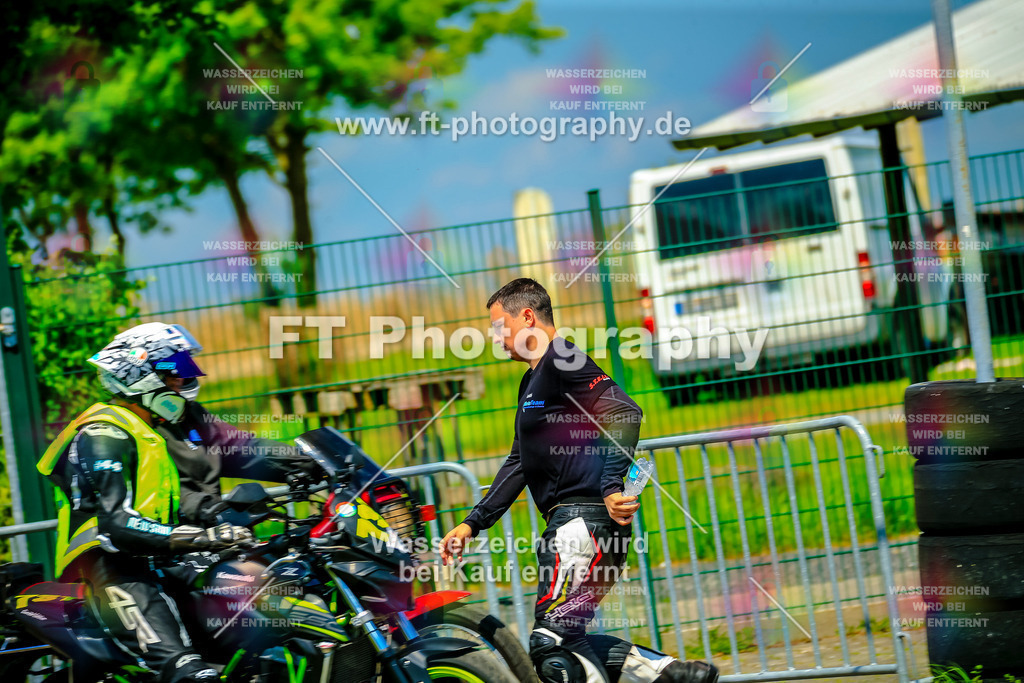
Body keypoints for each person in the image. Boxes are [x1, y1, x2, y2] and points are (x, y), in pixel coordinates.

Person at [440, 279, 718, 683]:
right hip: (575, 526)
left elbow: (624, 411)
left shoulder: (562, 358)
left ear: (528, 317)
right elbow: (519, 461)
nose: (494, 335)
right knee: (566, 638)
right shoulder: (532, 379)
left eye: (500, 325)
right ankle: (673, 676)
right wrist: (473, 523)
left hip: (582, 525)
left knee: (552, 646)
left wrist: (609, 487)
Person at [37, 322, 321, 683]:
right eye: (176, 372)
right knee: (189, 674)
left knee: (266, 629)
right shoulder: (103, 434)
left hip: (161, 560)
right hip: (110, 569)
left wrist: (317, 462)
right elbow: (118, 524)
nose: (185, 381)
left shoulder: (153, 429)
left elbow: (241, 448)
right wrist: (208, 533)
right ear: (140, 375)